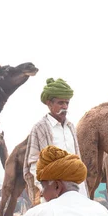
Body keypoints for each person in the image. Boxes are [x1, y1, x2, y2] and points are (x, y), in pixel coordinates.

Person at [23, 77, 87, 205]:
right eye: (60, 103)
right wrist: (45, 188)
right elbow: (34, 162)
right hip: (54, 191)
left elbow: (77, 159)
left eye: (67, 103)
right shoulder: (40, 128)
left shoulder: (71, 127)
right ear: (49, 103)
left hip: (76, 188)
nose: (65, 106)